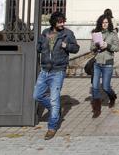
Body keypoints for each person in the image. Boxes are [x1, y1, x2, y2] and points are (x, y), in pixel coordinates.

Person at [33, 11, 79, 140]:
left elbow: (76, 48)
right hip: (45, 70)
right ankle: (56, 111)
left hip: (58, 71)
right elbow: (39, 47)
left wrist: (67, 46)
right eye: (60, 21)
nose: (62, 23)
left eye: (63, 21)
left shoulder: (67, 34)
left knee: (54, 99)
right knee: (37, 95)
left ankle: (52, 127)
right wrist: (39, 46)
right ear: (54, 22)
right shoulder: (45, 32)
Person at [89, 13, 119, 118]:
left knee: (106, 87)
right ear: (100, 23)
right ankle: (97, 110)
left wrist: (108, 45)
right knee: (95, 87)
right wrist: (96, 46)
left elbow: (117, 48)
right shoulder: (96, 33)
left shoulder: (113, 34)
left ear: (109, 23)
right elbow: (91, 48)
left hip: (108, 64)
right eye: (102, 23)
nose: (104, 24)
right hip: (97, 63)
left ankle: (112, 97)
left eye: (106, 22)